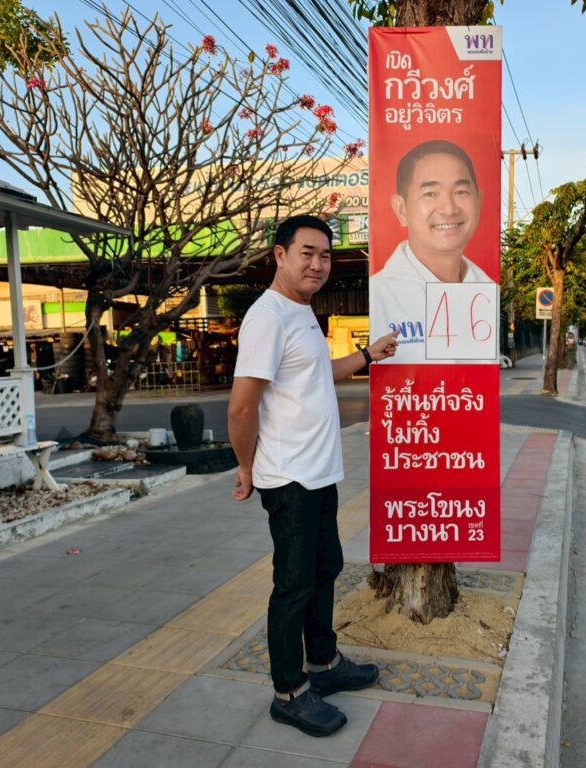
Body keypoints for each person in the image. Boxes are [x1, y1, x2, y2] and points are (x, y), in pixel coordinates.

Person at [227, 215, 399, 738]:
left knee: (326, 568)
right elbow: (241, 407)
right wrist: (246, 466)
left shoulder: (300, 312)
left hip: (318, 472)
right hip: (289, 478)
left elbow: (314, 373)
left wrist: (367, 355)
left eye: (325, 255)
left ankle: (323, 663)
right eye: (307, 253)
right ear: (279, 255)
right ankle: (288, 691)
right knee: (294, 583)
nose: (318, 264)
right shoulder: (267, 318)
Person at [369, 139, 493, 363]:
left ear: (480, 201)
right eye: (430, 194)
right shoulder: (380, 293)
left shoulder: (488, 291)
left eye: (461, 192)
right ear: (401, 209)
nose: (449, 209)